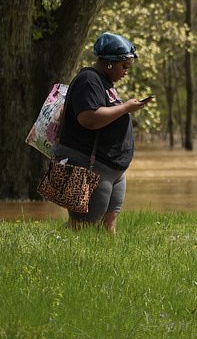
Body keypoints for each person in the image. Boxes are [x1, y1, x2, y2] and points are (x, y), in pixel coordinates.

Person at [53, 32, 151, 233]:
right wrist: (125, 108)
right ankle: (49, 250)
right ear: (108, 63)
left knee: (109, 223)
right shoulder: (89, 80)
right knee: (81, 226)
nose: (126, 72)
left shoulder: (104, 83)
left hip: (112, 168)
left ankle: (113, 261)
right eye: (124, 66)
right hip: (91, 166)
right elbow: (88, 118)